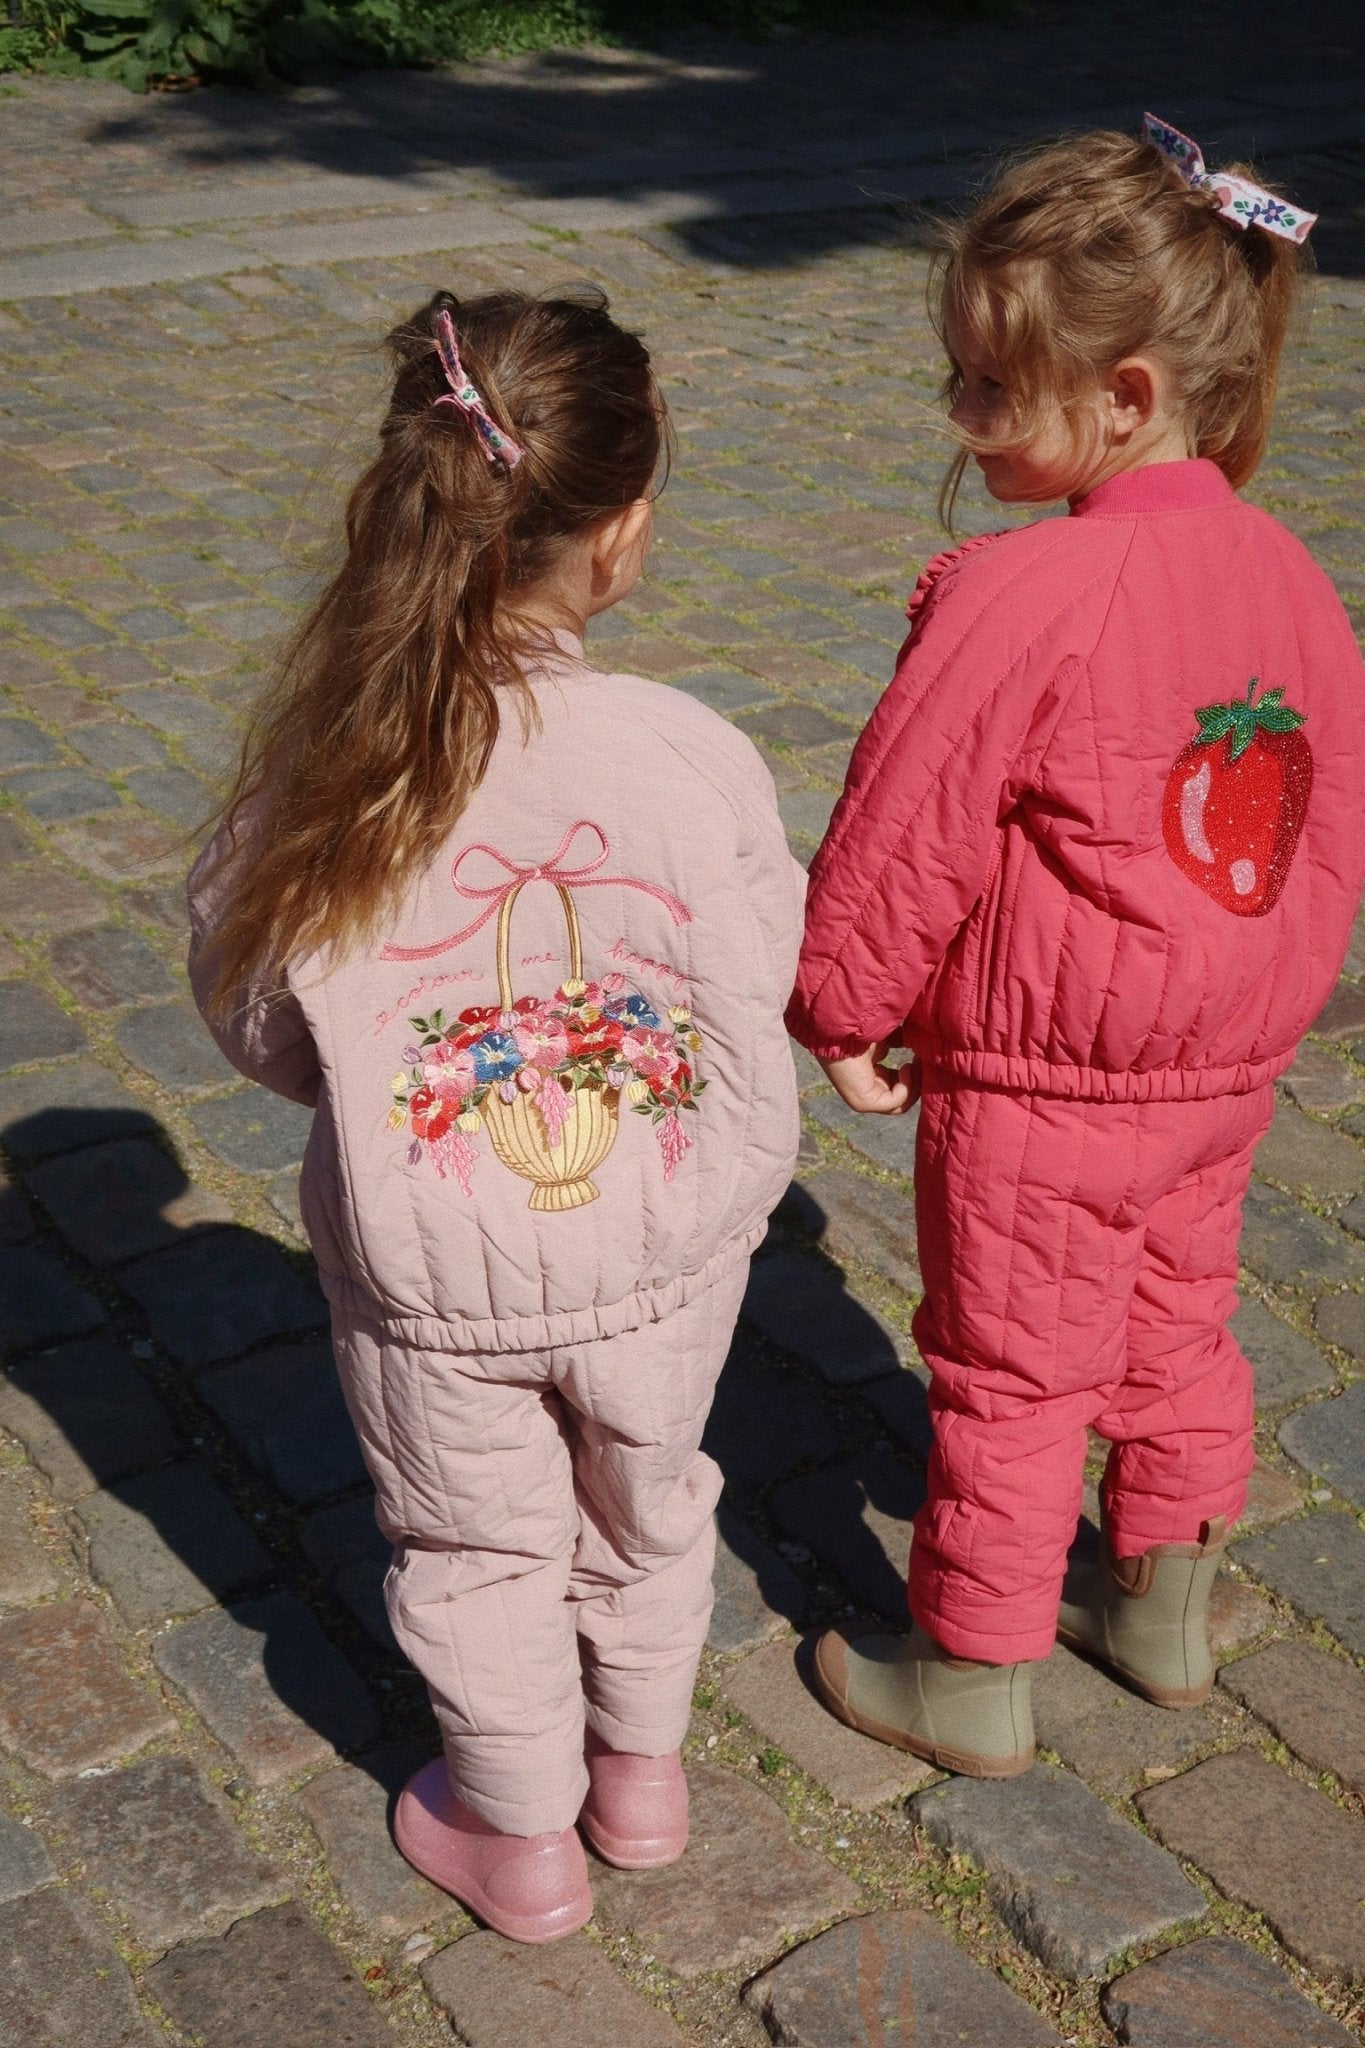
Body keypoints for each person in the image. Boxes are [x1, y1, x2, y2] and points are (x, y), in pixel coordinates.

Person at [188, 288, 804, 1938]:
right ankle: (641, 1779)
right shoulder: (686, 751)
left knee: (475, 1552)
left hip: (432, 1268)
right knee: (650, 1503)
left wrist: (382, 1087)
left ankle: (520, 1839)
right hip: (663, 1248)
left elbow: (254, 1007)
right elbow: (757, 962)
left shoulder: (339, 762)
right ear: (624, 534)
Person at [787, 117, 1365, 1778]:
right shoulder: (1289, 575)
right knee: (1178, 1325)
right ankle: (1163, 1612)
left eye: (987, 388)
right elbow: (1317, 828)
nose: (958, 418)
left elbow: (908, 826)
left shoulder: (1025, 591)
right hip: (1217, 1075)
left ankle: (970, 1674)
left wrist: (842, 1007)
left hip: (1044, 1084)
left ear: (1121, 394)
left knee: (1012, 1375)